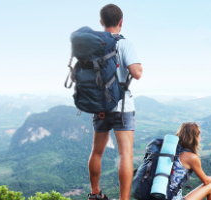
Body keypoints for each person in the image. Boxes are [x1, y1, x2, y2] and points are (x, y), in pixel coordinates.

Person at [88, 4, 143, 200]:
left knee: (97, 152)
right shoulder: (124, 43)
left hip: (100, 105)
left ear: (101, 23)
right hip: (122, 107)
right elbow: (136, 74)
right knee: (125, 155)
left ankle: (95, 193)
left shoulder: (93, 44)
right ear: (121, 23)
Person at [172, 122, 211, 200]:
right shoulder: (192, 157)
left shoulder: (170, 152)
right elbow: (206, 181)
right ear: (195, 137)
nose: (200, 138)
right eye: (199, 135)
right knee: (210, 186)